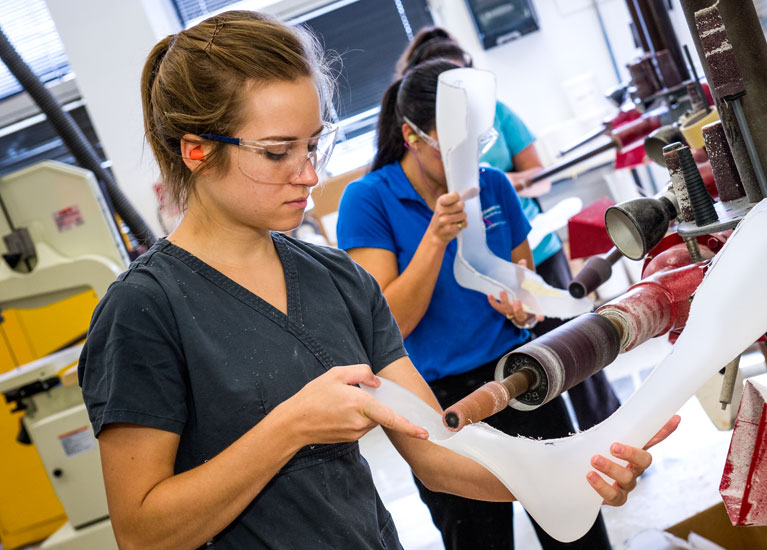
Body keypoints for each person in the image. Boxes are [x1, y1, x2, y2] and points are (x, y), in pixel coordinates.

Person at [77, 11, 676, 550]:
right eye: (278, 151)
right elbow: (142, 530)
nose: (309, 174)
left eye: (314, 144)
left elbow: (436, 453)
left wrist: (567, 472)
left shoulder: (334, 278)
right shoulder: (145, 311)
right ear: (196, 151)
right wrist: (291, 426)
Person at [337, 59, 660, 550]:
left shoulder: (493, 184)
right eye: (452, 147)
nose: (469, 160)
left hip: (523, 377)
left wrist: (523, 307)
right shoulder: (369, 200)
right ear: (410, 135)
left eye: (478, 144)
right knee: (478, 538)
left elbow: (521, 279)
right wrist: (434, 238)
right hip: (436, 400)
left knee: (572, 519)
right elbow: (389, 323)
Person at [396, 27, 621, 430]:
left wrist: (523, 309)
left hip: (530, 255)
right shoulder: (383, 195)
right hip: (458, 377)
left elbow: (538, 176)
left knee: (574, 352)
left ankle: (606, 434)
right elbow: (393, 319)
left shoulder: (493, 155)